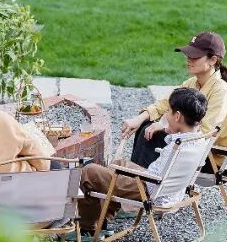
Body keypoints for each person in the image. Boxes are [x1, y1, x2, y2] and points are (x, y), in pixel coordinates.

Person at [79, 87, 208, 234]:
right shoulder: (199, 139)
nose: (166, 116)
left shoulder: (176, 147)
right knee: (119, 164)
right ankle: (103, 219)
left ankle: (87, 228)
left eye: (168, 111)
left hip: (150, 190)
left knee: (89, 172)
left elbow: (152, 184)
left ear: (177, 116)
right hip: (170, 190)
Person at [121, 31, 227, 169]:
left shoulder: (221, 91)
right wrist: (139, 118)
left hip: (210, 157)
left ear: (213, 60)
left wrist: (166, 128)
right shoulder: (192, 82)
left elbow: (205, 132)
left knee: (152, 134)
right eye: (188, 54)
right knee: (146, 126)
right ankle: (137, 177)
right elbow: (165, 104)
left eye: (195, 56)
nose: (189, 59)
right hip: (191, 147)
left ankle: (138, 179)